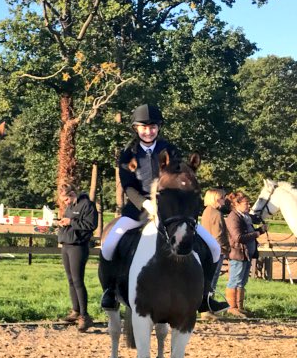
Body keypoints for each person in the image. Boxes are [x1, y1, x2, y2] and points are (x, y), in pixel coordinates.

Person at [97, 103, 228, 314]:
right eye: (144, 127)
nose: (148, 131)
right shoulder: (128, 154)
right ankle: (110, 292)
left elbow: (179, 178)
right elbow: (128, 186)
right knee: (110, 244)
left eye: (153, 127)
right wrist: (145, 203)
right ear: (136, 128)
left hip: (170, 211)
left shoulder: (170, 150)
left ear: (158, 127)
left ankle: (206, 296)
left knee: (213, 247)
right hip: (138, 210)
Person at [56, 184, 99, 332]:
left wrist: (71, 222)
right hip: (67, 245)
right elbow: (71, 222)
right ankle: (75, 311)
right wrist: (63, 223)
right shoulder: (71, 206)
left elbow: (91, 225)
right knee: (70, 280)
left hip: (78, 246)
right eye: (64, 200)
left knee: (78, 280)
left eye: (66, 199)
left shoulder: (87, 205)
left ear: (73, 193)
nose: (65, 203)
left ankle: (85, 316)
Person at [224, 190, 265, 317]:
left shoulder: (244, 217)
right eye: (246, 203)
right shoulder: (233, 217)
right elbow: (238, 237)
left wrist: (259, 230)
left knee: (242, 281)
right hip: (238, 254)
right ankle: (232, 307)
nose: (249, 205)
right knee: (235, 280)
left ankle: (239, 307)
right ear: (237, 204)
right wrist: (258, 232)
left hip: (246, 254)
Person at [200, 188, 230, 314]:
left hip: (206, 249)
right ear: (216, 199)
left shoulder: (207, 211)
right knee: (212, 280)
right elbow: (218, 235)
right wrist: (226, 248)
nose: (224, 200)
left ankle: (206, 306)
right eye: (222, 198)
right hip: (216, 250)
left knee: (207, 279)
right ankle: (208, 308)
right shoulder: (217, 214)